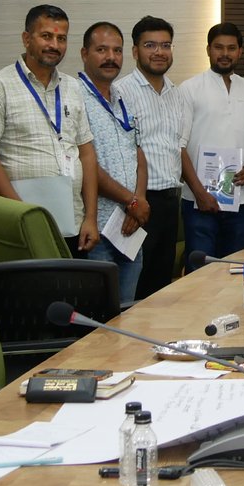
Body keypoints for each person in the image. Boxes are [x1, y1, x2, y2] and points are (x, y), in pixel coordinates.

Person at [0, 4, 99, 254]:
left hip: (72, 223)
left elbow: (87, 154)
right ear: (26, 38)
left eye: (61, 38)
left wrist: (91, 218)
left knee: (73, 280)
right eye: (46, 36)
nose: (54, 45)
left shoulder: (72, 87)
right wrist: (23, 217)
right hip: (20, 226)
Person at [72, 23, 149, 301]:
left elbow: (138, 152)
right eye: (102, 50)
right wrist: (132, 201)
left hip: (130, 227)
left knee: (129, 313)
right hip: (97, 228)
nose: (111, 57)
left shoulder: (122, 96)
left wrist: (139, 201)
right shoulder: (74, 96)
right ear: (84, 53)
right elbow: (86, 163)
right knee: (102, 318)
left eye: (117, 51)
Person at [113, 15, 186, 297]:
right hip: (139, 203)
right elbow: (122, 152)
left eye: (165, 45)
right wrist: (133, 201)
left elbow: (175, 147)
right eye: (150, 45)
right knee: (135, 287)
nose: (159, 52)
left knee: (161, 286)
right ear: (135, 51)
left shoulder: (175, 93)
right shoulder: (121, 92)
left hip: (170, 201)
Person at [178, 23, 244, 259]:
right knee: (200, 269)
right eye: (218, 47)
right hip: (197, 201)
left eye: (231, 48)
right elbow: (178, 146)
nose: (225, 54)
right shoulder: (189, 89)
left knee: (233, 268)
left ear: (240, 52)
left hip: (240, 198)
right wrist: (199, 193)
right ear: (208, 50)